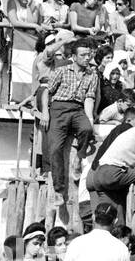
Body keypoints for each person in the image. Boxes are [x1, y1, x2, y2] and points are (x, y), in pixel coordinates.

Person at [42, 39, 100, 205]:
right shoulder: (61, 70)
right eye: (83, 55)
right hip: (58, 109)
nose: (87, 58)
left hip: (77, 109)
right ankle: (59, 191)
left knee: (87, 129)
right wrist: (46, 112)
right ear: (74, 56)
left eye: (89, 55)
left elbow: (89, 99)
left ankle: (78, 159)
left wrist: (89, 119)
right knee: (55, 149)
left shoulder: (92, 75)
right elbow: (47, 91)